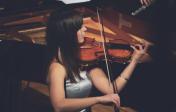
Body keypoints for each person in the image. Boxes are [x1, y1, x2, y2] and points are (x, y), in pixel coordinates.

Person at [45, 8, 147, 112]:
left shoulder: (85, 59)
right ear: (68, 34)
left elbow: (110, 89)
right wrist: (97, 99)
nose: (85, 29)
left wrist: (134, 61)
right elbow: (59, 106)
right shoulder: (58, 68)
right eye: (80, 27)